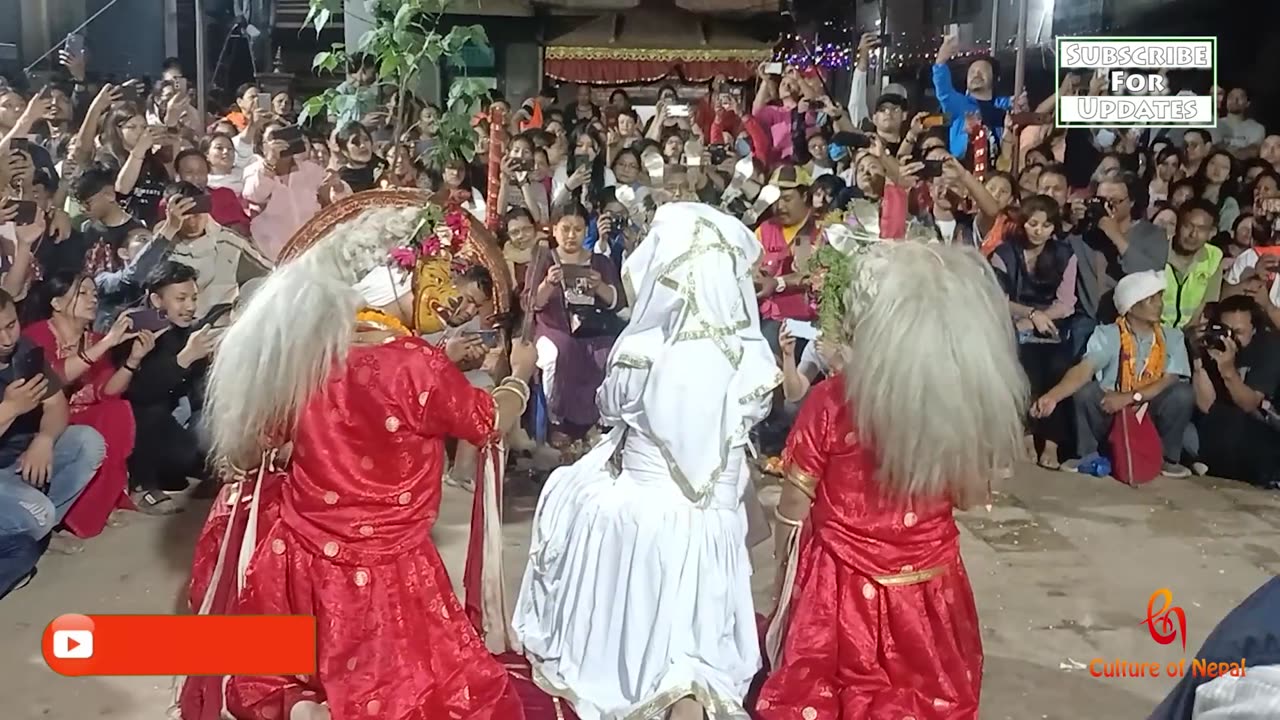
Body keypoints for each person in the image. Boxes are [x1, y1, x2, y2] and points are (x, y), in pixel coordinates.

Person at [195, 195, 537, 720]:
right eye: (446, 283)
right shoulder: (415, 365)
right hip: (389, 566)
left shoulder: (310, 349)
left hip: (301, 552)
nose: (454, 305)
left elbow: (281, 432)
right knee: (424, 689)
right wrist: (519, 375)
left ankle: (302, 699)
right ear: (411, 277)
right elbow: (487, 421)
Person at [514, 202, 780, 720]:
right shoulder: (754, 357)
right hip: (716, 522)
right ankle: (695, 672)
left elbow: (611, 408)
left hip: (645, 510)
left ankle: (630, 660)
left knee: (567, 495)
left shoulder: (644, 349)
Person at [757, 241, 1027, 720]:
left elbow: (794, 506)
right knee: (921, 690)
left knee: (831, 683)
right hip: (926, 585)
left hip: (837, 584)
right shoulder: (952, 399)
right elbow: (967, 495)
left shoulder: (832, 400)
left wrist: (784, 570)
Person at [22, 273, 158, 537]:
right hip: (41, 418)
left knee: (116, 411)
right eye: (82, 293)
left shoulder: (94, 339)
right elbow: (55, 378)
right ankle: (59, 521)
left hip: (83, 415)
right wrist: (107, 343)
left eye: (93, 293)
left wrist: (133, 360)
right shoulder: (37, 334)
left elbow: (107, 390)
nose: (92, 298)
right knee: (95, 428)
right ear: (57, 303)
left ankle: (97, 506)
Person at [1032, 270, 1195, 478]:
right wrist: (1052, 397)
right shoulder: (1108, 334)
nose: (1159, 304)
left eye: (1160, 298)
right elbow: (1084, 370)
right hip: (1110, 411)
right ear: (1131, 306)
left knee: (1182, 393)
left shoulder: (1172, 336)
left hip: (1148, 411)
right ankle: (1088, 455)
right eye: (1150, 299)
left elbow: (1170, 378)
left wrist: (1130, 397)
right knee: (1087, 391)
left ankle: (1166, 458)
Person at [0, 289, 106, 550]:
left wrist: (45, 439)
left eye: (10, 325)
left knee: (88, 442)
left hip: (20, 461)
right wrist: (10, 409)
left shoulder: (23, 349)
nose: (5, 338)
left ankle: (41, 531)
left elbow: (57, 404)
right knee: (40, 514)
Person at [124, 262, 216, 514]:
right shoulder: (134, 327)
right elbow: (140, 392)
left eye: (194, 298)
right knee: (151, 409)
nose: (190, 306)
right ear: (156, 299)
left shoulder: (188, 329)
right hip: (137, 425)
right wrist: (186, 357)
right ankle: (142, 485)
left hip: (179, 418)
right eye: (181, 298)